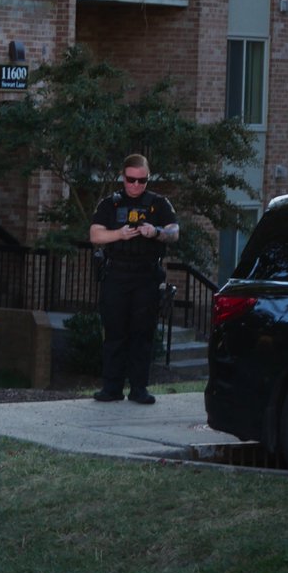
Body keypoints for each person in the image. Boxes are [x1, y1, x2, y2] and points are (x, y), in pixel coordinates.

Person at [89, 154, 179, 404]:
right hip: (117, 275)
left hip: (146, 277)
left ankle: (139, 388)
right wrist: (119, 234)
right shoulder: (111, 204)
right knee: (115, 332)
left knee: (143, 334)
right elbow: (95, 235)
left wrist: (157, 232)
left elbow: (174, 231)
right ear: (123, 177)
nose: (136, 185)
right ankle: (111, 388)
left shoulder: (159, 204)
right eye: (131, 180)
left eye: (142, 180)